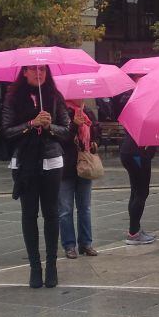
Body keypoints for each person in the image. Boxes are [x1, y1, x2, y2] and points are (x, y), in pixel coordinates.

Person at [1, 65, 71, 289]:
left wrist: (49, 126)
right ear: (24, 72)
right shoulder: (13, 97)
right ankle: (34, 267)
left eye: (42, 69)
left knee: (51, 213)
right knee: (28, 214)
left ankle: (52, 265)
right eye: (33, 69)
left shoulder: (54, 96)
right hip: (24, 162)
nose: (38, 73)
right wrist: (31, 124)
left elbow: (66, 130)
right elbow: (7, 131)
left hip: (51, 160)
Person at [59, 99, 100, 260]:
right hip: (66, 167)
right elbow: (60, 138)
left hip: (85, 167)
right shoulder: (61, 112)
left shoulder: (87, 113)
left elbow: (96, 132)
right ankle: (69, 245)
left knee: (85, 208)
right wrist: (74, 125)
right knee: (65, 210)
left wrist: (95, 143)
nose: (81, 98)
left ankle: (86, 243)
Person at [119, 121, 156, 244]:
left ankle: (135, 229)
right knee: (141, 193)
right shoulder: (151, 117)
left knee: (135, 192)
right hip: (138, 153)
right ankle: (134, 233)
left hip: (129, 151)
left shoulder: (140, 113)